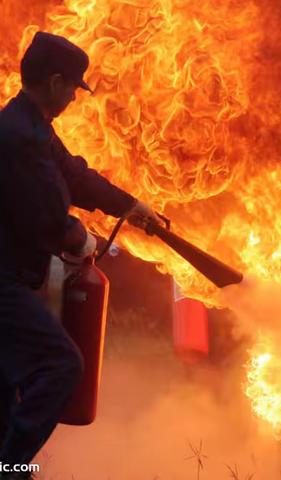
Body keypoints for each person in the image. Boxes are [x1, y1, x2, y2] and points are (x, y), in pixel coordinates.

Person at [0, 32, 158, 479]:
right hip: (2, 283)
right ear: (54, 82)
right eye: (72, 86)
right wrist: (78, 239)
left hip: (12, 279)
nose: (73, 95)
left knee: (5, 389)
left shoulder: (30, 126)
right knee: (61, 365)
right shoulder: (18, 138)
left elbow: (74, 175)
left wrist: (129, 206)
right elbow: (45, 216)